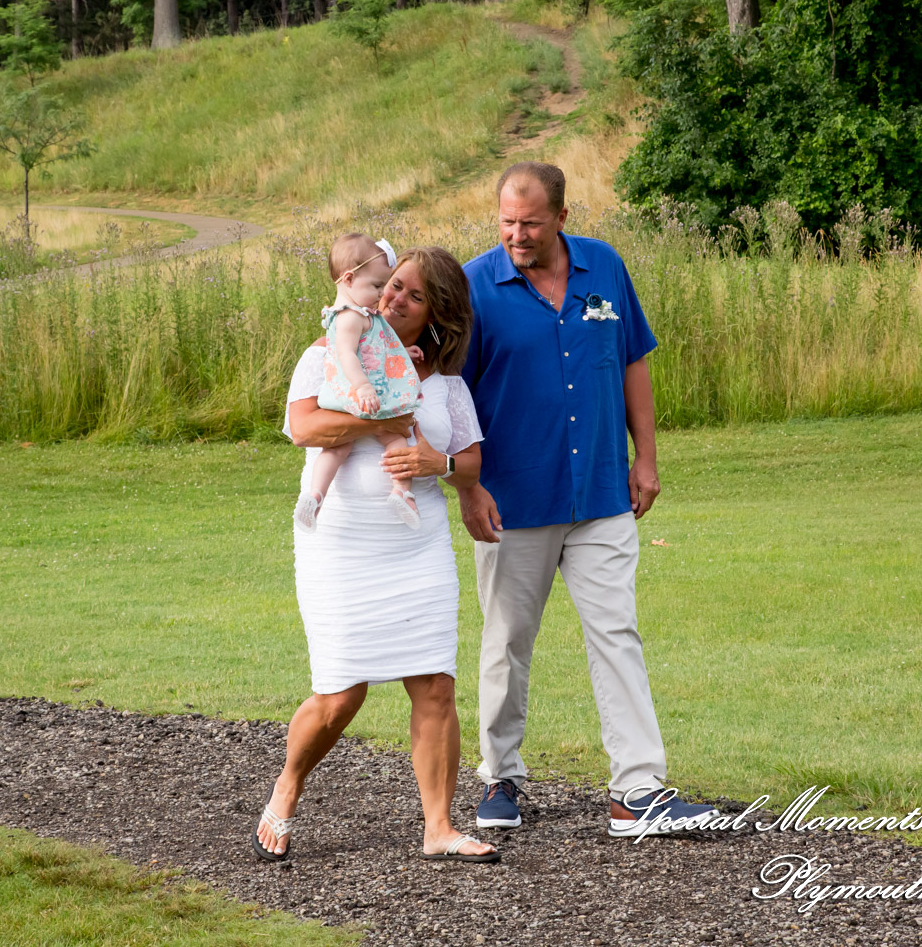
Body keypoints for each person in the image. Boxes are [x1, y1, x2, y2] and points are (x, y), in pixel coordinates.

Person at [458, 161, 719, 837]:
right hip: (513, 500)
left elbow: (633, 360)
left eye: (532, 223)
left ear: (562, 218)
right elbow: (450, 396)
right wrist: (468, 484)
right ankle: (501, 776)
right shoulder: (475, 285)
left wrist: (647, 458)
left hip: (601, 489)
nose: (518, 234)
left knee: (617, 633)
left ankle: (637, 791)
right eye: (507, 222)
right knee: (508, 639)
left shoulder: (604, 267)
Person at [256, 246, 501, 863]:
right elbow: (305, 428)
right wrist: (378, 417)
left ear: (436, 315)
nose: (393, 299)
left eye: (413, 296)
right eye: (392, 286)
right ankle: (289, 784)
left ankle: (439, 828)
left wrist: (435, 464)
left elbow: (470, 460)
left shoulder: (446, 385)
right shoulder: (326, 353)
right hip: (340, 543)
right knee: (342, 693)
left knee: (436, 686)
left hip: (417, 547)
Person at [294, 232, 423, 532]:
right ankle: (402, 491)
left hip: (351, 393)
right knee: (397, 439)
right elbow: (347, 354)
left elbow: (374, 347)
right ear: (349, 279)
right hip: (359, 391)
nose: (382, 294)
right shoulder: (350, 317)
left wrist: (402, 351)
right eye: (377, 285)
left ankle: (315, 494)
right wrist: (363, 387)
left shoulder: (363, 314)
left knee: (338, 448)